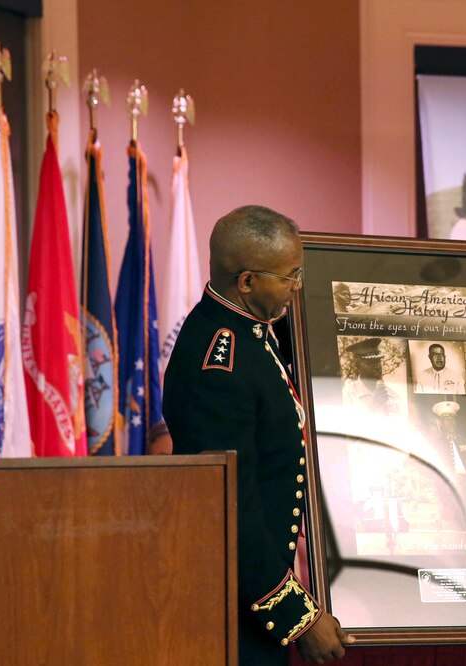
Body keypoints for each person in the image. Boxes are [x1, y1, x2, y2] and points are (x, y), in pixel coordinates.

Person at [161, 205, 353, 665]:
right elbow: (231, 506)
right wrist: (296, 617)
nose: (297, 286)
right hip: (235, 615)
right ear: (246, 281)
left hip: (253, 599)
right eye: (288, 276)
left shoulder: (247, 328)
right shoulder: (217, 363)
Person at [341, 337, 401, 415]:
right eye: (370, 363)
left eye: (378, 362)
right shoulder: (348, 395)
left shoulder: (393, 395)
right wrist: (372, 406)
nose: (377, 367)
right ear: (357, 366)